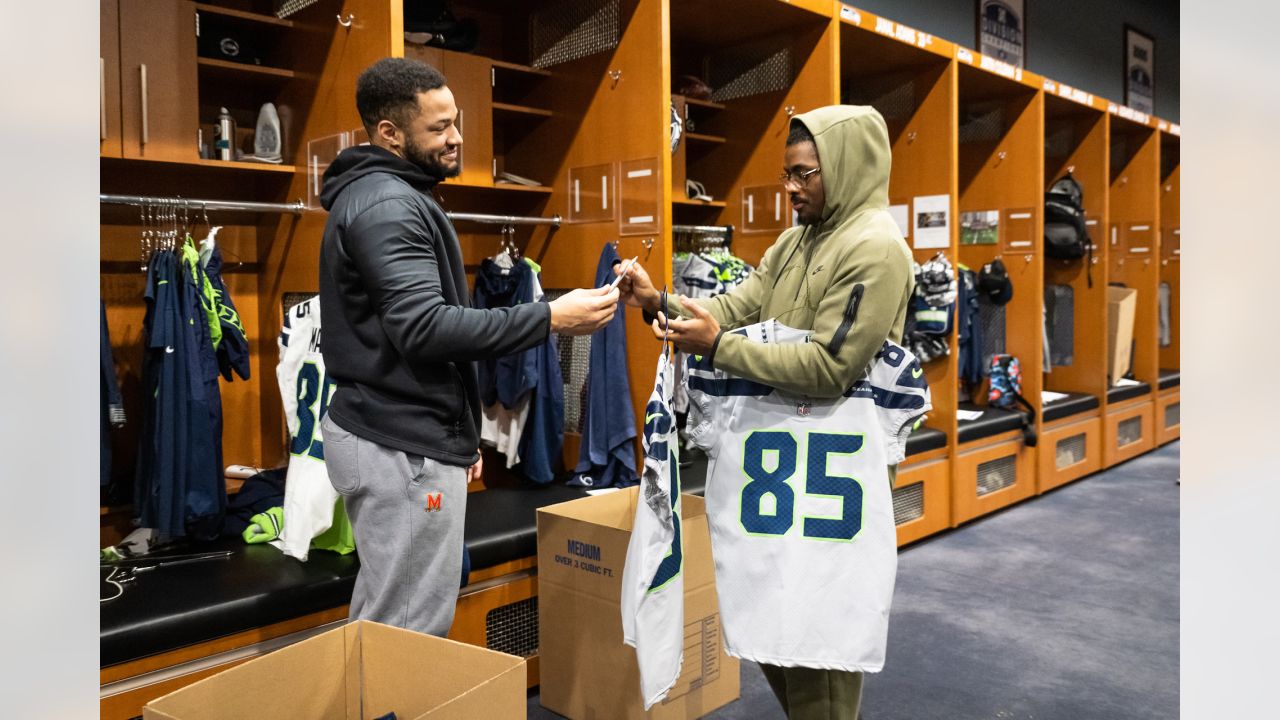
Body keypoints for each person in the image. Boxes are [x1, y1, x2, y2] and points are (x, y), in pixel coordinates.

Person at [617, 105, 914, 720]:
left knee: (818, 640)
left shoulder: (878, 249)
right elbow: (739, 304)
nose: (790, 187)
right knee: (773, 622)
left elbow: (833, 369)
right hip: (781, 463)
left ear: (846, 168)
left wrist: (719, 348)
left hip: (834, 482)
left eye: (804, 174)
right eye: (787, 173)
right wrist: (661, 302)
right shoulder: (797, 239)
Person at [317, 57, 618, 636]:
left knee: (405, 616)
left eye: (457, 122)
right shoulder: (388, 205)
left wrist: (456, 431)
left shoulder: (394, 194)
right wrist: (550, 316)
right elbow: (424, 328)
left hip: (409, 435)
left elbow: (408, 335)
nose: (456, 138)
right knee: (404, 629)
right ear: (390, 133)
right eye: (439, 128)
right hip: (397, 443)